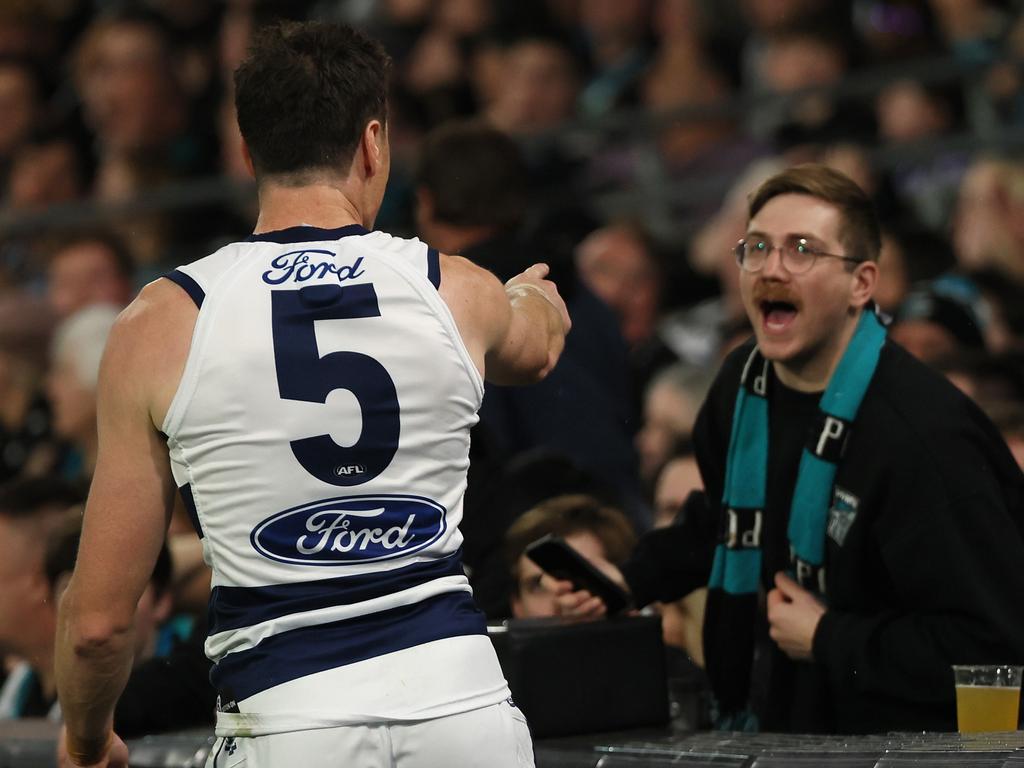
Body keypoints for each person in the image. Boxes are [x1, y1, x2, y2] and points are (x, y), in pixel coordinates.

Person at [54, 20, 569, 768]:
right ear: (373, 144)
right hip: (463, 708)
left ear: (246, 151)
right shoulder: (452, 287)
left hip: (291, 718)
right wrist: (533, 301)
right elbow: (538, 346)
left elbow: (98, 623)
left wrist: (86, 738)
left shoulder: (162, 323)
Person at [552, 164, 1024, 733]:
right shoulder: (738, 387)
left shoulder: (925, 436)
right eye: (756, 247)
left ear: (862, 283)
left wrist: (830, 638)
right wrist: (631, 579)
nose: (773, 267)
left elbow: (992, 648)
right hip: (780, 726)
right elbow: (729, 518)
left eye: (803, 250)